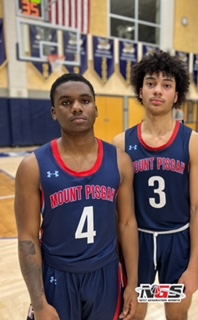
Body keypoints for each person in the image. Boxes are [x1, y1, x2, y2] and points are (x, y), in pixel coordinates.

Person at [15, 73, 139, 320]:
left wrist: (132, 283)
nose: (76, 107)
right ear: (53, 112)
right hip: (57, 277)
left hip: (106, 275)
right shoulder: (33, 166)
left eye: (85, 100)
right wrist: (39, 303)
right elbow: (27, 237)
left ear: (95, 108)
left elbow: (127, 223)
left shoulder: (120, 161)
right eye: (66, 102)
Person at [113, 51, 198, 320]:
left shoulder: (194, 143)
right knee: (132, 313)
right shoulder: (122, 143)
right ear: (140, 91)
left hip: (178, 241)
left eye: (167, 85)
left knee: (177, 315)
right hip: (137, 242)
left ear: (176, 94)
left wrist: (193, 267)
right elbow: (119, 212)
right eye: (151, 83)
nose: (158, 90)